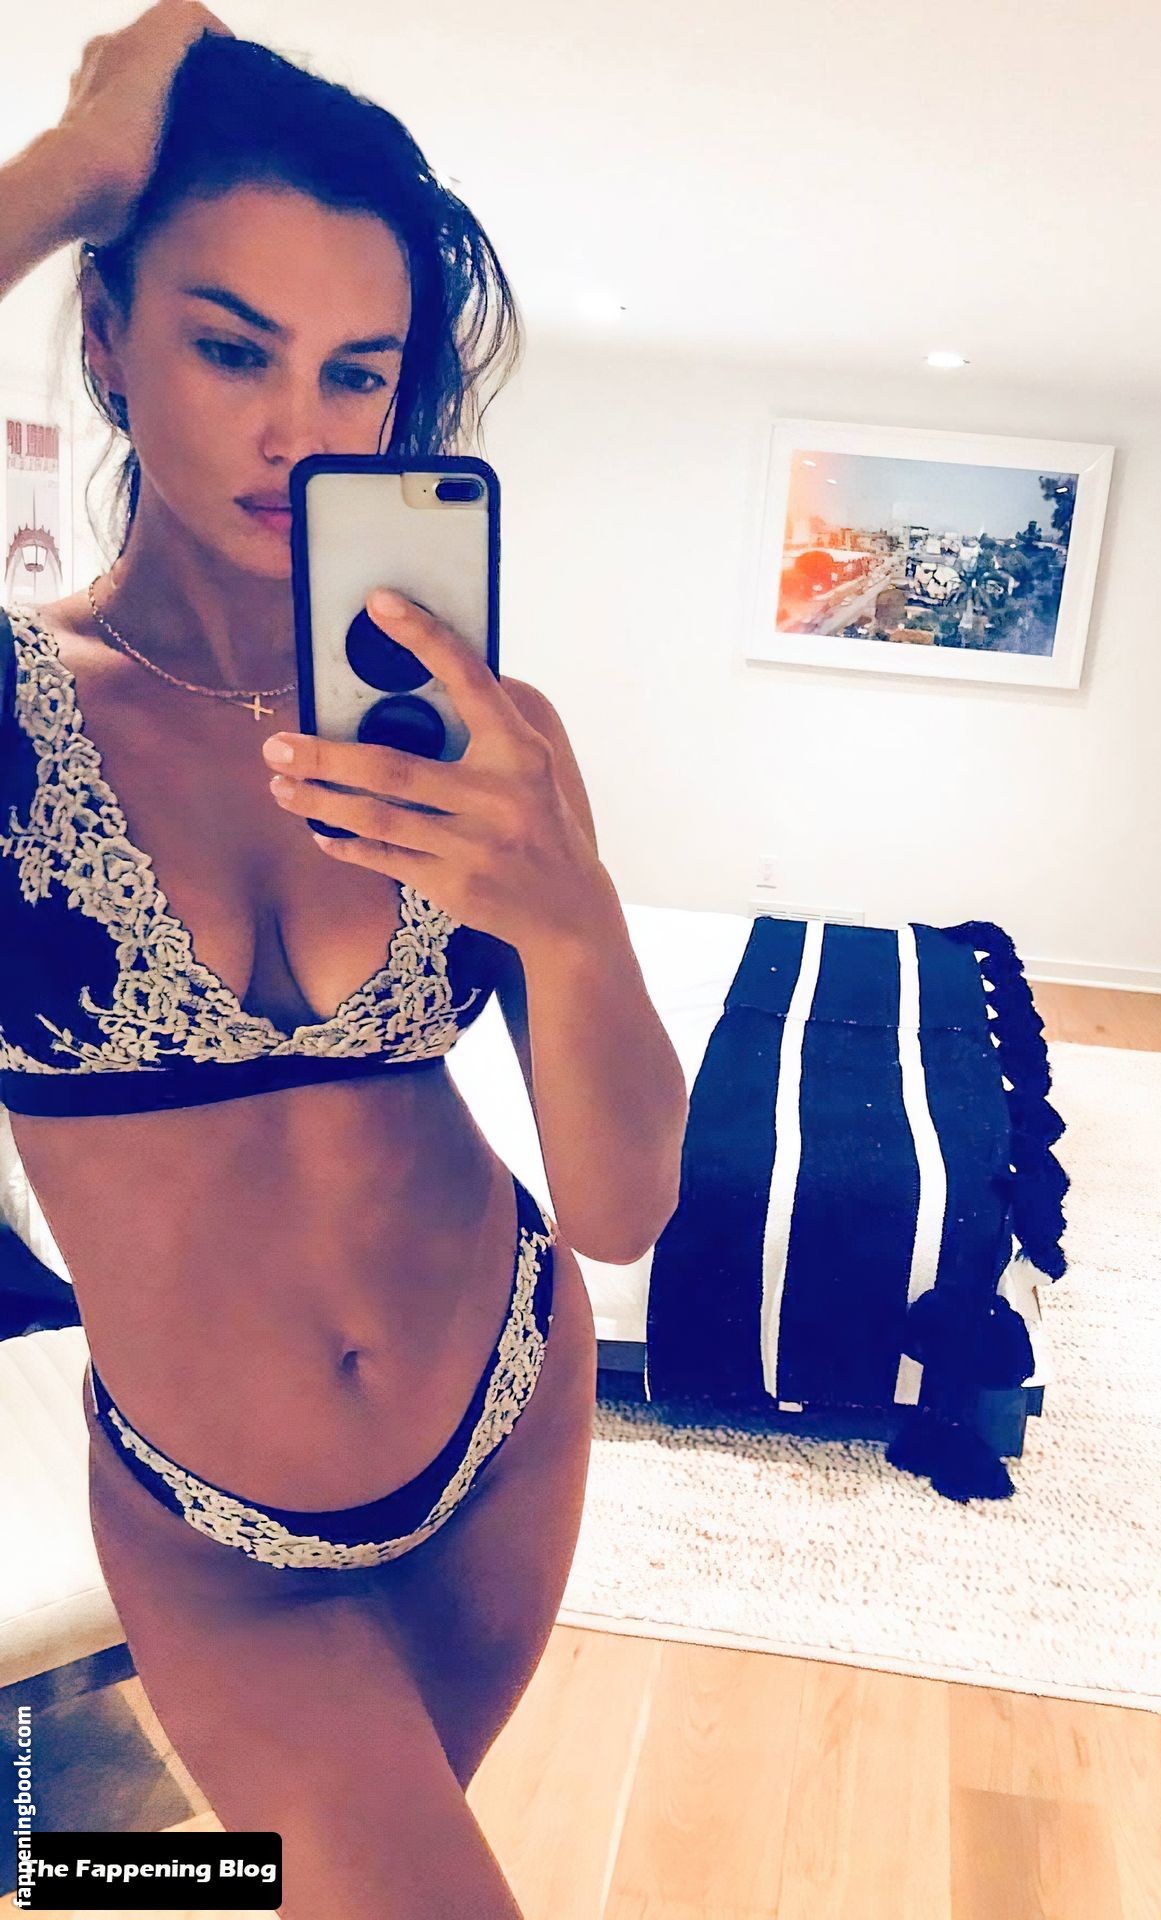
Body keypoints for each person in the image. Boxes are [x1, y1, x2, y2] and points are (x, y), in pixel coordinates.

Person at [0, 6, 688, 1915]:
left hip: (510, 1404)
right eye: (232, 347)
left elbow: (624, 1206)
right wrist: (67, 173)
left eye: (357, 370)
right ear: (109, 336)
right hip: (214, 1521)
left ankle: (92, 1883)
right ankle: (77, 1875)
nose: (296, 427)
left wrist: (571, 914)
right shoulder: (18, 705)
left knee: (340, 1879)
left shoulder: (479, 731)